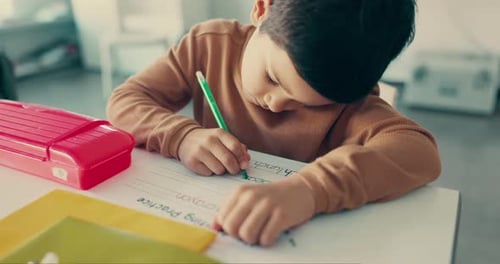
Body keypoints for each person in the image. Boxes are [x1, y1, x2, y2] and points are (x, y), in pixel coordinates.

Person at [106, 0, 441, 247]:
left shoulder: (346, 101)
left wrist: (309, 190)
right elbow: (126, 100)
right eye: (274, 78)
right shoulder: (207, 46)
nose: (277, 103)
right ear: (262, 8)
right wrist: (181, 136)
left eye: (305, 104)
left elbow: (420, 153)